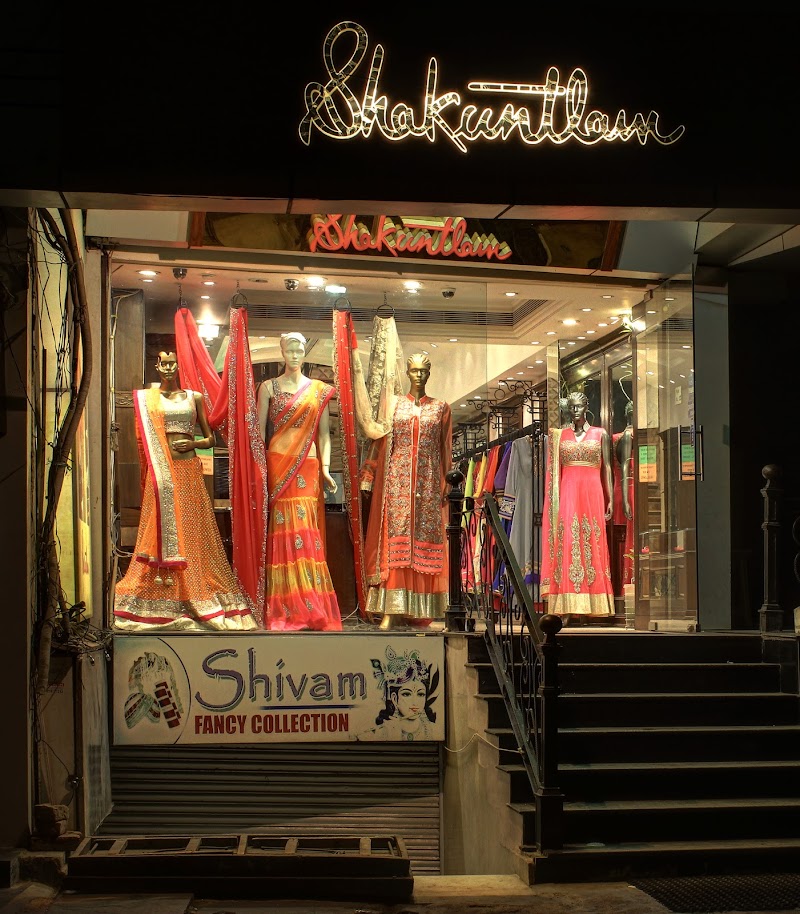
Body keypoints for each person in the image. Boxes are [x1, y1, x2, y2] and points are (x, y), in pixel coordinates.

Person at [113, 351, 256, 631]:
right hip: (161, 474)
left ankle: (193, 589)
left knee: (191, 529)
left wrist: (193, 444)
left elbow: (210, 438)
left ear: (178, 366)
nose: (168, 368)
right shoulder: (149, 400)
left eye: (172, 364)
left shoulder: (194, 397)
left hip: (188, 470)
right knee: (163, 527)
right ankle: (162, 594)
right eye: (163, 364)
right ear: (157, 367)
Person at [256, 332, 342, 631]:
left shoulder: (318, 390)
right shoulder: (268, 387)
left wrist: (326, 468)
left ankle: (309, 603)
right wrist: (259, 469)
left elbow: (324, 434)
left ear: (305, 353)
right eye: (289, 350)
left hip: (308, 464)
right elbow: (259, 433)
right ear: (282, 352)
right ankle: (285, 607)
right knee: (283, 528)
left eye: (299, 350)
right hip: (278, 462)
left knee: (305, 529)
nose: (294, 355)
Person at [360, 353, 452, 629]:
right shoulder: (393, 405)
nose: (419, 376)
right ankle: (393, 608)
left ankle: (420, 609)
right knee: (396, 541)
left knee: (423, 541)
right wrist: (369, 474)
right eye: (414, 371)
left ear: (429, 373)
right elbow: (379, 442)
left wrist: (446, 483)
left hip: (427, 482)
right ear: (407, 372)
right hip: (396, 483)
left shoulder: (441, 408)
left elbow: (445, 448)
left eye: (423, 371)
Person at [540, 390, 615, 618]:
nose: (575, 410)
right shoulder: (559, 436)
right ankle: (566, 604)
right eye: (571, 407)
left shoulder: (600, 434)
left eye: (579, 406)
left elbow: (608, 468)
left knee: (593, 540)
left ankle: (594, 604)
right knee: (569, 540)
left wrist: (611, 498)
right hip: (568, 492)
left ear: (586, 407)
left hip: (593, 492)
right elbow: (553, 472)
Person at [354, 646, 439, 741]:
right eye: (406, 694)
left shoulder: (435, 731)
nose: (415, 702)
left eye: (420, 694)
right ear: (394, 698)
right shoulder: (377, 734)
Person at [613, 400, 635, 586]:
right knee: (630, 535)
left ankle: (622, 582)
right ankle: (628, 582)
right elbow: (626, 467)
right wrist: (628, 499)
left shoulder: (615, 438)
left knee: (620, 536)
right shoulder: (631, 436)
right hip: (630, 491)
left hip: (618, 491)